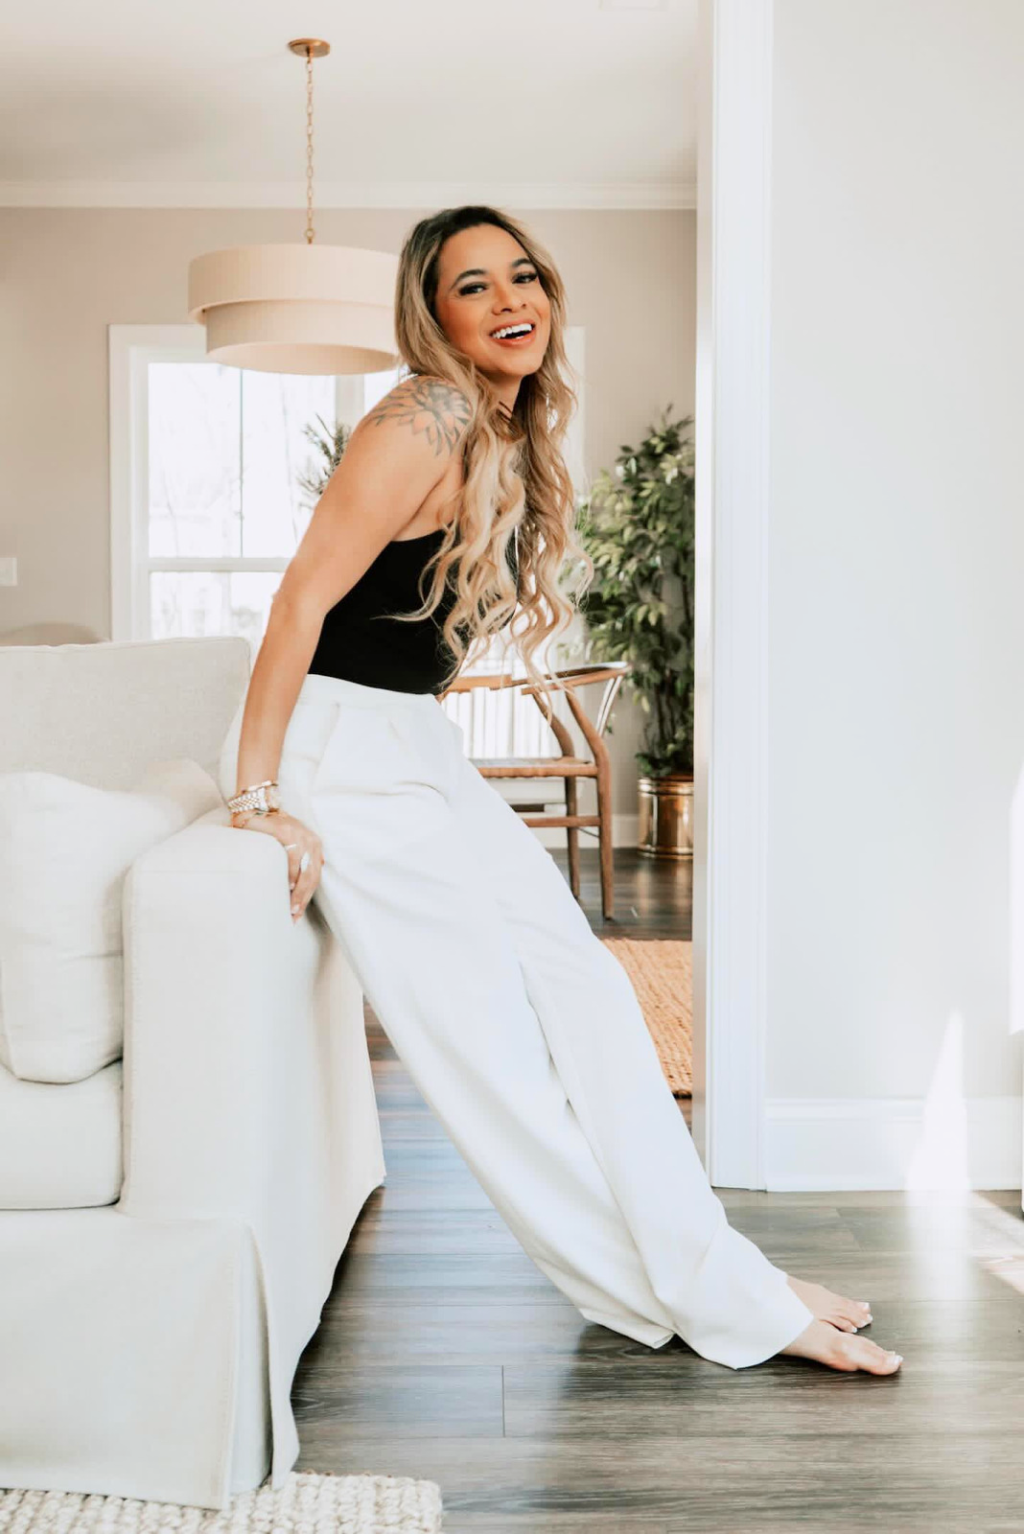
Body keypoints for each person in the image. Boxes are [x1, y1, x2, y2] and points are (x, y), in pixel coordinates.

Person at [220, 204, 903, 1376]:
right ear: (430, 317)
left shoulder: (492, 424)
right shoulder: (424, 413)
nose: (508, 302)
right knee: (492, 1051)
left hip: (408, 745)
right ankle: (705, 1300)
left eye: (521, 276)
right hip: (346, 755)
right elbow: (297, 606)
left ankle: (715, 1267)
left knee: (583, 983)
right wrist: (258, 796)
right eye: (472, 287)